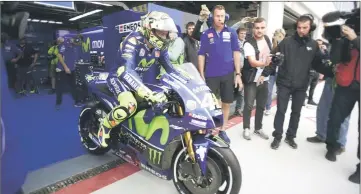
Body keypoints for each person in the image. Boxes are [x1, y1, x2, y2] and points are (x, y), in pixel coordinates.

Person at [97, 11, 191, 148]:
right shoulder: (132, 41)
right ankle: (105, 126)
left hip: (137, 79)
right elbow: (126, 70)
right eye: (162, 33)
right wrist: (145, 92)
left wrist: (188, 82)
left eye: (166, 33)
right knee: (129, 106)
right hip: (118, 78)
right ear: (150, 29)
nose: (165, 37)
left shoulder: (160, 46)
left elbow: (170, 69)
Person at [270, 14, 333, 149]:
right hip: (284, 83)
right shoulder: (286, 42)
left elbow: (317, 64)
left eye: (304, 27)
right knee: (281, 110)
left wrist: (331, 72)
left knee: (296, 112)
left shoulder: (313, 45)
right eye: (299, 27)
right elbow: (274, 58)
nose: (301, 30)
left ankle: (290, 136)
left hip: (301, 84)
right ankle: (277, 136)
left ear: (310, 28)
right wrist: (266, 73)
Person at [198, 5, 243, 143]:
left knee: (226, 103)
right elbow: (201, 55)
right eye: (218, 16)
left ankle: (222, 130)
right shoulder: (206, 34)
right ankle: (210, 130)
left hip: (228, 74)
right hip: (211, 75)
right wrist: (201, 74)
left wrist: (238, 74)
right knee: (210, 105)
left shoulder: (231, 33)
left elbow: (236, 53)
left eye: (222, 16)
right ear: (213, 17)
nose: (220, 19)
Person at [324, 25, 359, 184]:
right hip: (345, 84)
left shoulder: (353, 37)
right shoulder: (346, 36)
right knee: (335, 118)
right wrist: (337, 38)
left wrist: (355, 39)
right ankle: (331, 147)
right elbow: (335, 57)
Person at [307, 38, 350, 155]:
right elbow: (329, 59)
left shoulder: (355, 44)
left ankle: (340, 143)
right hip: (331, 80)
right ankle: (321, 135)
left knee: (343, 114)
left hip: (346, 83)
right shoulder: (335, 43)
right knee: (323, 108)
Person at [241, 17, 273, 140]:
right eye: (257, 28)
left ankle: (258, 128)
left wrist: (265, 73)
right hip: (251, 79)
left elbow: (270, 57)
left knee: (261, 105)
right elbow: (253, 62)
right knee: (249, 105)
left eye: (262, 28)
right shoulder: (248, 43)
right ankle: (246, 128)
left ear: (265, 28)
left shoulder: (267, 39)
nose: (260, 30)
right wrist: (266, 63)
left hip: (264, 78)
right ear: (253, 28)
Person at [52, 37, 81, 110]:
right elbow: (60, 56)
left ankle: (77, 101)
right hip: (62, 70)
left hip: (71, 70)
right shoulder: (64, 45)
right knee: (60, 88)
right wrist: (65, 68)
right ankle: (58, 104)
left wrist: (73, 65)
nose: (77, 44)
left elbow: (71, 57)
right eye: (76, 42)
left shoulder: (73, 47)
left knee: (73, 86)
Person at [264, 28, 286, 115]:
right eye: (277, 36)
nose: (279, 38)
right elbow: (270, 56)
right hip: (272, 72)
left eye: (281, 36)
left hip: (282, 73)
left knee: (280, 92)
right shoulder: (273, 45)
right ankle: (268, 107)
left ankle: (280, 109)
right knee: (268, 91)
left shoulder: (287, 45)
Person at [234, 27, 247, 117]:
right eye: (241, 33)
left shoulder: (246, 44)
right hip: (234, 70)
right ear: (237, 34)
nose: (243, 35)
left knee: (241, 91)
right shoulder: (234, 42)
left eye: (244, 33)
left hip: (243, 70)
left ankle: (238, 109)